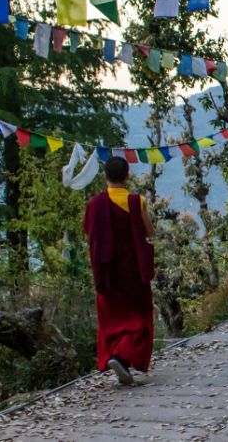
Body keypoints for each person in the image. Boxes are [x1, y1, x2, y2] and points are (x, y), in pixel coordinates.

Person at [83, 157, 157, 385]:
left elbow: (89, 232)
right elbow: (149, 232)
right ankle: (121, 357)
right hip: (132, 271)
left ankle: (117, 358)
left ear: (105, 176)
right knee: (140, 317)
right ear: (127, 176)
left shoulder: (94, 205)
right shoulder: (136, 202)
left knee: (113, 319)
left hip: (107, 272)